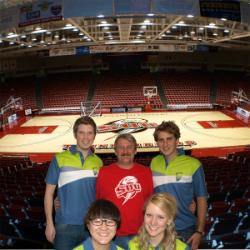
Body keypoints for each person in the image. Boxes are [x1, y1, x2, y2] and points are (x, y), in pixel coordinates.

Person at [44, 116, 103, 250]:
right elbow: (48, 193)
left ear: (94, 135)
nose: (86, 137)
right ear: (75, 134)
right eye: (81, 132)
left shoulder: (99, 162)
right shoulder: (59, 159)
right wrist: (49, 222)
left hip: (91, 226)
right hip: (64, 226)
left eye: (90, 133)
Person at [151, 121, 207, 250]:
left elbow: (202, 198)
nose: (165, 144)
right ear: (157, 142)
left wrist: (199, 231)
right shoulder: (154, 163)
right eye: (161, 140)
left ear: (177, 140)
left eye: (169, 139)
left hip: (185, 229)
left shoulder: (194, 164)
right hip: (160, 229)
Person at [96, 133, 153, 250]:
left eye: (129, 147)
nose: (125, 151)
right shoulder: (103, 173)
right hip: (113, 235)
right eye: (121, 147)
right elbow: (99, 204)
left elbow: (151, 204)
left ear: (135, 150)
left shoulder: (146, 172)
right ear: (115, 151)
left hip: (141, 234)